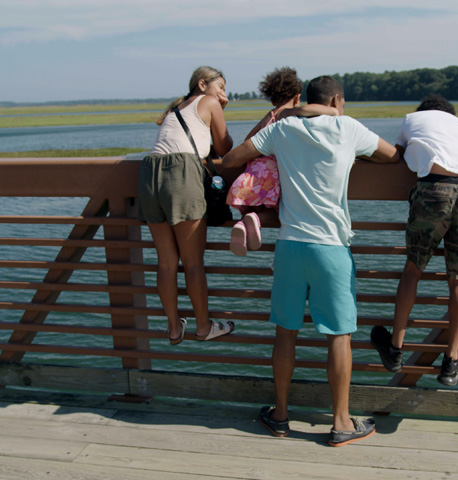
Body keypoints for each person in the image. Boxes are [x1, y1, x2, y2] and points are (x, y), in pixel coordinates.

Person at [222, 76, 400, 447]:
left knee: (285, 331)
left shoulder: (285, 128)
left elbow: (232, 158)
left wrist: (289, 114)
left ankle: (281, 416)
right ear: (337, 99)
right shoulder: (347, 127)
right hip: (331, 247)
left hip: (290, 245)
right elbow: (392, 155)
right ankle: (340, 423)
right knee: (339, 336)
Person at [370, 93, 458, 386]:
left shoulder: (413, 119)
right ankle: (452, 361)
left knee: (413, 270)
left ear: (424, 111)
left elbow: (396, 154)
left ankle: (395, 350)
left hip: (434, 190)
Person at [137, 66, 236, 345]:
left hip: (149, 173)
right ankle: (203, 326)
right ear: (203, 84)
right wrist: (220, 109)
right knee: (193, 262)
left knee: (167, 263)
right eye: (221, 87)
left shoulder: (177, 108)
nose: (224, 94)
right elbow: (225, 147)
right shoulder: (210, 102)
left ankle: (173, 328)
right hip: (180, 174)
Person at [226, 67, 335, 256]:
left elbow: (247, 143)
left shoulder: (269, 117)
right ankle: (254, 219)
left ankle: (244, 223)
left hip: (255, 173)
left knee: (255, 207)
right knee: (278, 212)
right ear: (297, 96)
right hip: (277, 174)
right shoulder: (294, 115)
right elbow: (331, 112)